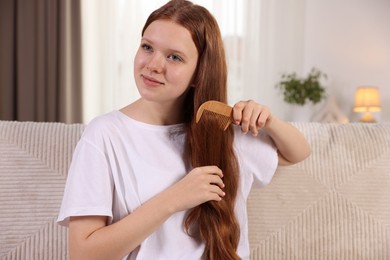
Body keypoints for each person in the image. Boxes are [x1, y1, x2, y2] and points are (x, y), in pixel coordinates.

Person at [57, 0, 311, 259]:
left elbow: (297, 152)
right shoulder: (104, 135)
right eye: (147, 47)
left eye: (174, 57)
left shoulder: (221, 128)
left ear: (200, 72)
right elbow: (83, 253)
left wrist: (269, 121)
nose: (153, 65)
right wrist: (174, 199)